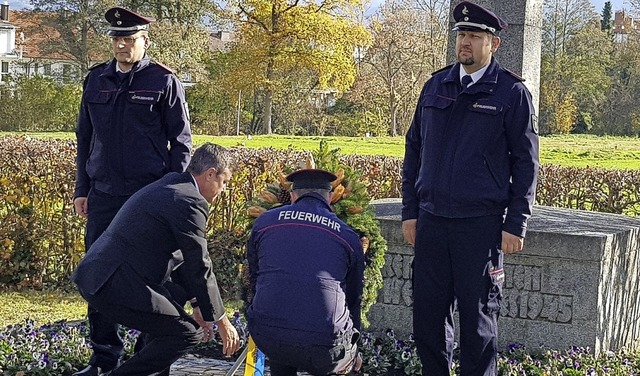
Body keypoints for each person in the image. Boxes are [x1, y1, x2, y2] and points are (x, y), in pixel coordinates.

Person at [401, 1, 540, 375]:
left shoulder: (511, 93)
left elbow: (526, 163)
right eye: (462, 35)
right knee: (427, 319)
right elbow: (414, 150)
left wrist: (517, 222)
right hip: (431, 222)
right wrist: (410, 212)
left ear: (493, 44)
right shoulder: (436, 84)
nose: (465, 42)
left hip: (479, 227)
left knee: (477, 324)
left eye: (474, 36)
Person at [72, 6, 192, 375]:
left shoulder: (163, 80)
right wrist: (83, 189)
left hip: (147, 198)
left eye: (129, 39)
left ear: (145, 41)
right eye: (116, 39)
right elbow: (84, 138)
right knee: (98, 276)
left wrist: (170, 194)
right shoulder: (96, 80)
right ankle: (104, 359)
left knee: (154, 279)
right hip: (105, 196)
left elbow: (182, 144)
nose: (121, 45)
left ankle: (147, 359)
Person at [72, 143, 241, 376]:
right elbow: (199, 262)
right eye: (225, 182)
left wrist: (198, 304)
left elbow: (181, 259)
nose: (223, 189)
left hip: (101, 276)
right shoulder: (190, 200)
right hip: (112, 284)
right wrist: (222, 320)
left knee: (174, 305)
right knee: (186, 333)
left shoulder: (173, 184)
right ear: (210, 173)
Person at [246, 169, 365, 376]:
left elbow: (254, 277)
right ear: (329, 198)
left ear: (292, 196)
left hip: (268, 336)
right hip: (325, 345)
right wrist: (354, 345)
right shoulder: (347, 236)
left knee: (283, 341)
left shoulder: (264, 223)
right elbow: (354, 296)